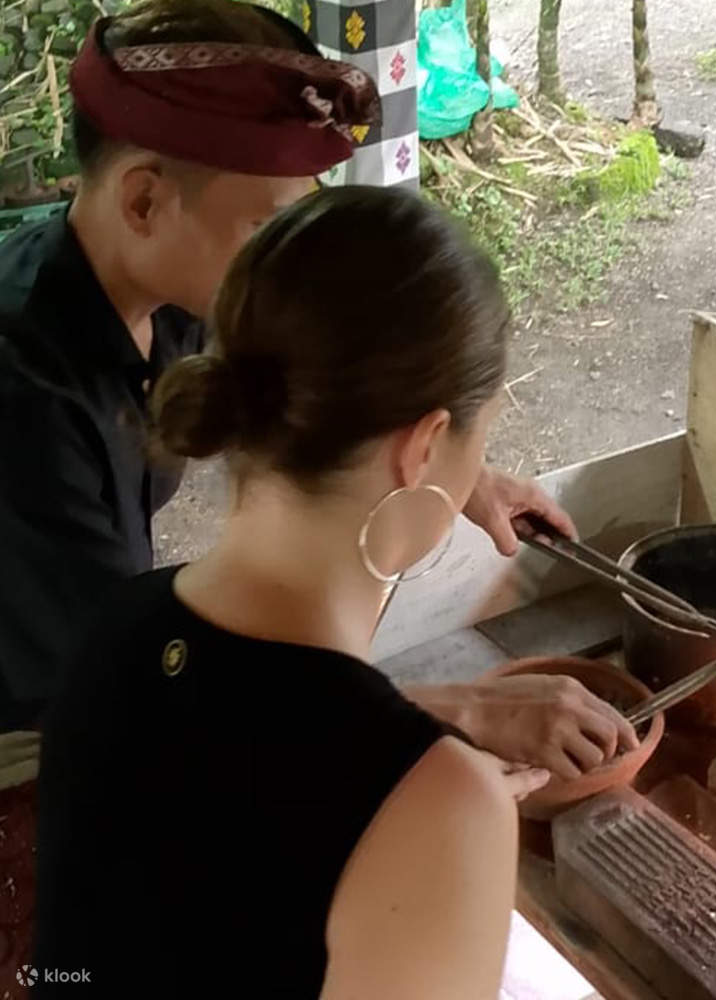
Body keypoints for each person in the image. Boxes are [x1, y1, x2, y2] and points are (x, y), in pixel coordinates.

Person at [0, 0, 630, 767]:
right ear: (144, 200)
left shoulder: (168, 289)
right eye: (268, 228)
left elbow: (308, 384)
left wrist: (448, 471)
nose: (291, 265)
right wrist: (453, 709)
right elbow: (131, 701)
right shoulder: (25, 399)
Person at [37, 184, 570, 996]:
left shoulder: (113, 630)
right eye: (483, 433)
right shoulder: (434, 806)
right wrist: (442, 809)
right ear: (425, 446)